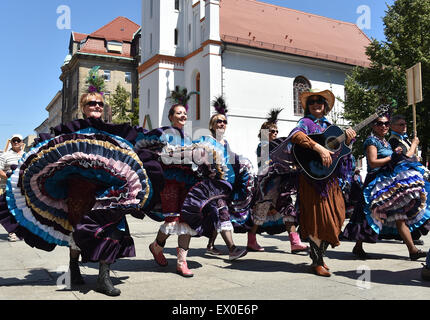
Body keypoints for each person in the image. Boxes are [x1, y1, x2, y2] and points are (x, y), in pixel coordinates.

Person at [0, 66, 153, 297]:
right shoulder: (69, 132)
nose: (97, 107)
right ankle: (73, 268)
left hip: (110, 190)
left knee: (112, 230)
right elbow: (48, 155)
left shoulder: (114, 134)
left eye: (100, 104)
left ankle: (103, 277)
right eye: (92, 103)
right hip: (79, 191)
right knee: (78, 232)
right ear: (83, 108)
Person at [288, 89, 356, 277]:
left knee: (338, 216)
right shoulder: (305, 123)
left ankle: (318, 255)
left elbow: (342, 154)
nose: (316, 104)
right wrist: (319, 148)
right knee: (317, 219)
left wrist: (348, 142)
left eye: (320, 101)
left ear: (325, 106)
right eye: (312, 102)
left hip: (331, 180)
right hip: (312, 179)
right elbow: (295, 136)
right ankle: (317, 260)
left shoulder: (331, 126)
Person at [343, 115, 429, 261]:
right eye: (379, 123)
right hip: (374, 183)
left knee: (398, 214)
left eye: (386, 123)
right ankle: (358, 246)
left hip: (388, 183)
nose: (383, 126)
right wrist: (393, 158)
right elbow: (373, 162)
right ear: (373, 126)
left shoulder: (387, 143)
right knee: (368, 216)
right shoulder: (371, 141)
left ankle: (412, 250)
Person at [250, 108, 308, 254]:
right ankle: (251, 240)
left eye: (276, 131)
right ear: (264, 133)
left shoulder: (278, 146)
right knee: (260, 212)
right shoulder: (262, 146)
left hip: (281, 184)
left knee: (289, 210)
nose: (275, 134)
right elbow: (265, 164)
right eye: (271, 131)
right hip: (267, 185)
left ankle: (295, 242)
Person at [203, 96, 249, 259]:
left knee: (219, 214)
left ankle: (210, 245)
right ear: (212, 126)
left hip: (227, 185)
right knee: (222, 213)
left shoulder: (225, 143)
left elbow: (232, 162)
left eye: (224, 122)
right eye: (218, 121)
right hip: (214, 186)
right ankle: (232, 249)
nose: (222, 124)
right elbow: (203, 161)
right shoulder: (207, 141)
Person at [386, 114, 427, 245]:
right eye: (401, 124)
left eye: (405, 124)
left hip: (411, 175)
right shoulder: (393, 140)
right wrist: (414, 144)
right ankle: (411, 234)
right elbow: (406, 156)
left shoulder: (403, 139)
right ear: (392, 126)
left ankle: (414, 233)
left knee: (416, 204)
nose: (404, 127)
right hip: (403, 178)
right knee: (409, 206)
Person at [0, 134, 24, 242]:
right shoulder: (5, 155)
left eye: (18, 140)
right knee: (10, 209)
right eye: (14, 141)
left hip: (23, 187)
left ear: (22, 142)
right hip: (9, 187)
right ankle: (12, 232)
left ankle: (21, 231)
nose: (16, 142)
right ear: (11, 143)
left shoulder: (26, 155)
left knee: (22, 209)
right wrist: (9, 178)